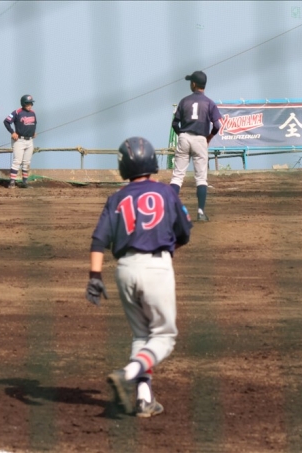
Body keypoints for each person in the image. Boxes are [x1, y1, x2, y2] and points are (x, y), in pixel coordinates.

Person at [86, 136, 193, 417]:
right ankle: (128, 373)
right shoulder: (166, 192)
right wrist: (164, 249)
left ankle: (144, 399)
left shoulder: (117, 198)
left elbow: (99, 240)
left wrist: (95, 276)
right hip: (156, 267)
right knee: (164, 336)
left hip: (124, 270)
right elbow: (184, 233)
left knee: (141, 335)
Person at [170, 70, 222, 222]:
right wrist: (209, 137)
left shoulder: (184, 101)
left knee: (177, 176)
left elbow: (175, 124)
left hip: (185, 137)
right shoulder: (209, 103)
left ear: (193, 84)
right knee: (201, 178)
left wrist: (181, 135)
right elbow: (217, 126)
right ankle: (200, 212)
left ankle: (170, 211)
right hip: (200, 139)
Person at [3, 94, 37, 189]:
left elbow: (34, 123)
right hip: (19, 140)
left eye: (31, 103)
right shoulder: (17, 112)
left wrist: (33, 132)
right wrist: (12, 132)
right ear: (23, 103)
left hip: (29, 140)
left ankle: (25, 182)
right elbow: (6, 122)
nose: (30, 105)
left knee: (27, 162)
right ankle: (12, 182)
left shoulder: (33, 113)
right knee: (17, 161)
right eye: (28, 103)